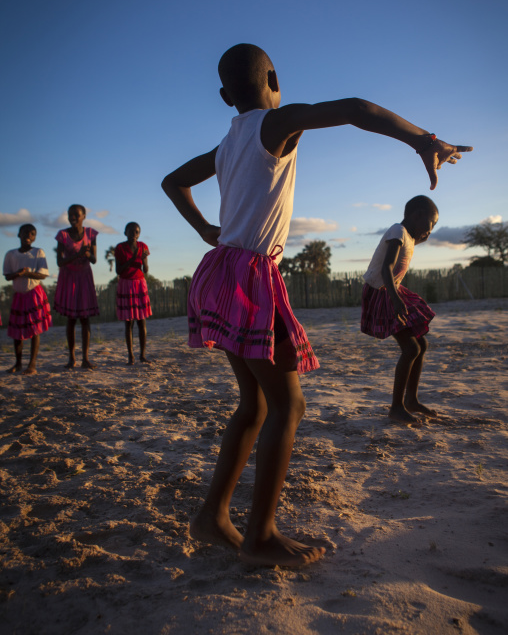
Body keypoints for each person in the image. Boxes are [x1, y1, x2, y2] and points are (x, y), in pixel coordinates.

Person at [161, 43, 471, 567]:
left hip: (222, 271)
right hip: (250, 275)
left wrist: (210, 232)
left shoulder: (226, 143)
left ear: (223, 95)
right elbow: (353, 108)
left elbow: (172, 181)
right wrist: (424, 140)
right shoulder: (276, 124)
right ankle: (260, 536)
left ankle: (212, 515)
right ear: (274, 78)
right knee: (289, 404)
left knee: (255, 404)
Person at [361, 196, 440, 424]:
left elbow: (415, 241)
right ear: (416, 216)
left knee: (420, 344)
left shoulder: (408, 237)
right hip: (382, 291)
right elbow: (386, 267)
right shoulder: (397, 230)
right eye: (431, 223)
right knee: (410, 348)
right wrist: (395, 300)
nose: (431, 230)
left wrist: (424, 235)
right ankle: (396, 407)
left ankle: (411, 400)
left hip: (391, 289)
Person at [54, 204, 99, 369]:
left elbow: (94, 259)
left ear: (84, 216)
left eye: (76, 215)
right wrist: (78, 255)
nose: (73, 217)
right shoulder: (63, 235)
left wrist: (87, 254)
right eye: (70, 215)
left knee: (85, 318)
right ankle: (71, 358)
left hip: (84, 277)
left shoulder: (90, 234)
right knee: (71, 319)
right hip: (69, 278)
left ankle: (85, 358)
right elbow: (59, 262)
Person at [3, 224, 52, 374]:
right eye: (25, 233)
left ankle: (32, 364)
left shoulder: (38, 252)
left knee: (34, 329)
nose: (28, 236)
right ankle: (18, 363)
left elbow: (43, 274)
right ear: (19, 235)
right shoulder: (11, 254)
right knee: (18, 330)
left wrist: (27, 274)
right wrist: (18, 274)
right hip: (19, 295)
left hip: (34, 293)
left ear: (35, 237)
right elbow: (7, 275)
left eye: (32, 234)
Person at [114, 222, 152, 364]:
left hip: (139, 283)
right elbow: (118, 270)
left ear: (139, 234)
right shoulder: (120, 247)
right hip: (126, 284)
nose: (134, 234)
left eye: (136, 232)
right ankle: (131, 356)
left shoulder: (143, 247)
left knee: (142, 321)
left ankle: (142, 355)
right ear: (125, 233)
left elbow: (146, 269)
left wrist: (143, 259)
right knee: (128, 323)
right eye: (131, 231)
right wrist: (132, 258)